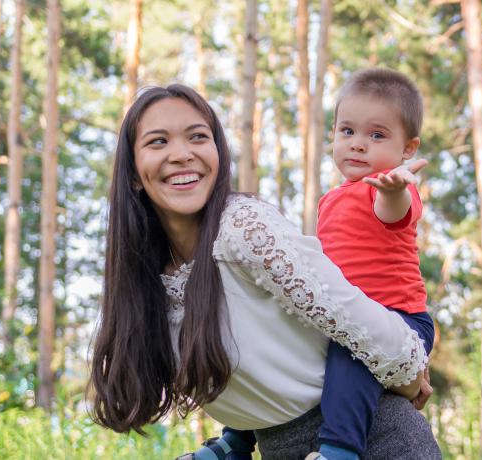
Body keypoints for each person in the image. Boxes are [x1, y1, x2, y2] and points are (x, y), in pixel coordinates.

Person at [88, 84, 441, 460]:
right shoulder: (147, 275)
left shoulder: (244, 228)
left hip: (375, 442)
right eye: (158, 142)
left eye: (197, 137)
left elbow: (360, 322)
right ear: (133, 173)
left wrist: (408, 378)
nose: (181, 154)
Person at [220, 68, 436, 460]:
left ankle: (339, 449)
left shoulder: (390, 187)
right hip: (345, 315)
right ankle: (234, 442)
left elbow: (394, 214)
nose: (357, 145)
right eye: (347, 132)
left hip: (397, 319)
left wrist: (395, 190)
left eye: (377, 135)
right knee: (279, 350)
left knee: (350, 356)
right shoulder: (332, 198)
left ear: (408, 148)